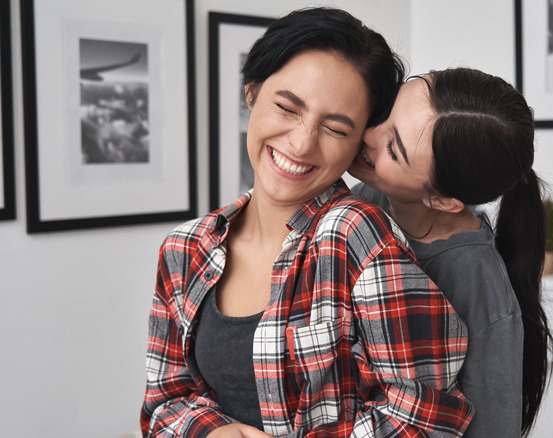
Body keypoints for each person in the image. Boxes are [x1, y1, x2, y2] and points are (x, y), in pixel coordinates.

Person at [141, 8, 473, 438]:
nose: (301, 143)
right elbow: (164, 402)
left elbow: (427, 414)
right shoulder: (184, 249)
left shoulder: (355, 236)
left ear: (359, 146)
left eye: (335, 129)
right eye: (286, 107)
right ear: (252, 92)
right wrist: (211, 432)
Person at [348, 68, 553, 437]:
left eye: (393, 149)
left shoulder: (478, 288)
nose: (367, 133)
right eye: (387, 111)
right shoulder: (369, 201)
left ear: (443, 200)